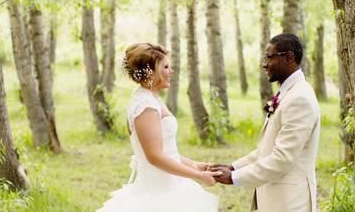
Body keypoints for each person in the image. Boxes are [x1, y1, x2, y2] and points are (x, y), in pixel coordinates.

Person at [97, 43, 219, 212]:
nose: (171, 71)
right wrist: (198, 176)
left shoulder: (150, 97)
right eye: (166, 67)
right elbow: (155, 156)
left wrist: (194, 165)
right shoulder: (145, 105)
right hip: (158, 191)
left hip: (170, 183)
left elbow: (167, 150)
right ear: (150, 71)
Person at [211, 33, 320, 212]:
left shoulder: (300, 98)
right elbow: (266, 150)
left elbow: (282, 158)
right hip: (275, 197)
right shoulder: (287, 93)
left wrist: (234, 177)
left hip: (290, 202)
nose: (264, 64)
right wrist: (233, 166)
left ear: (289, 57)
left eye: (269, 57)